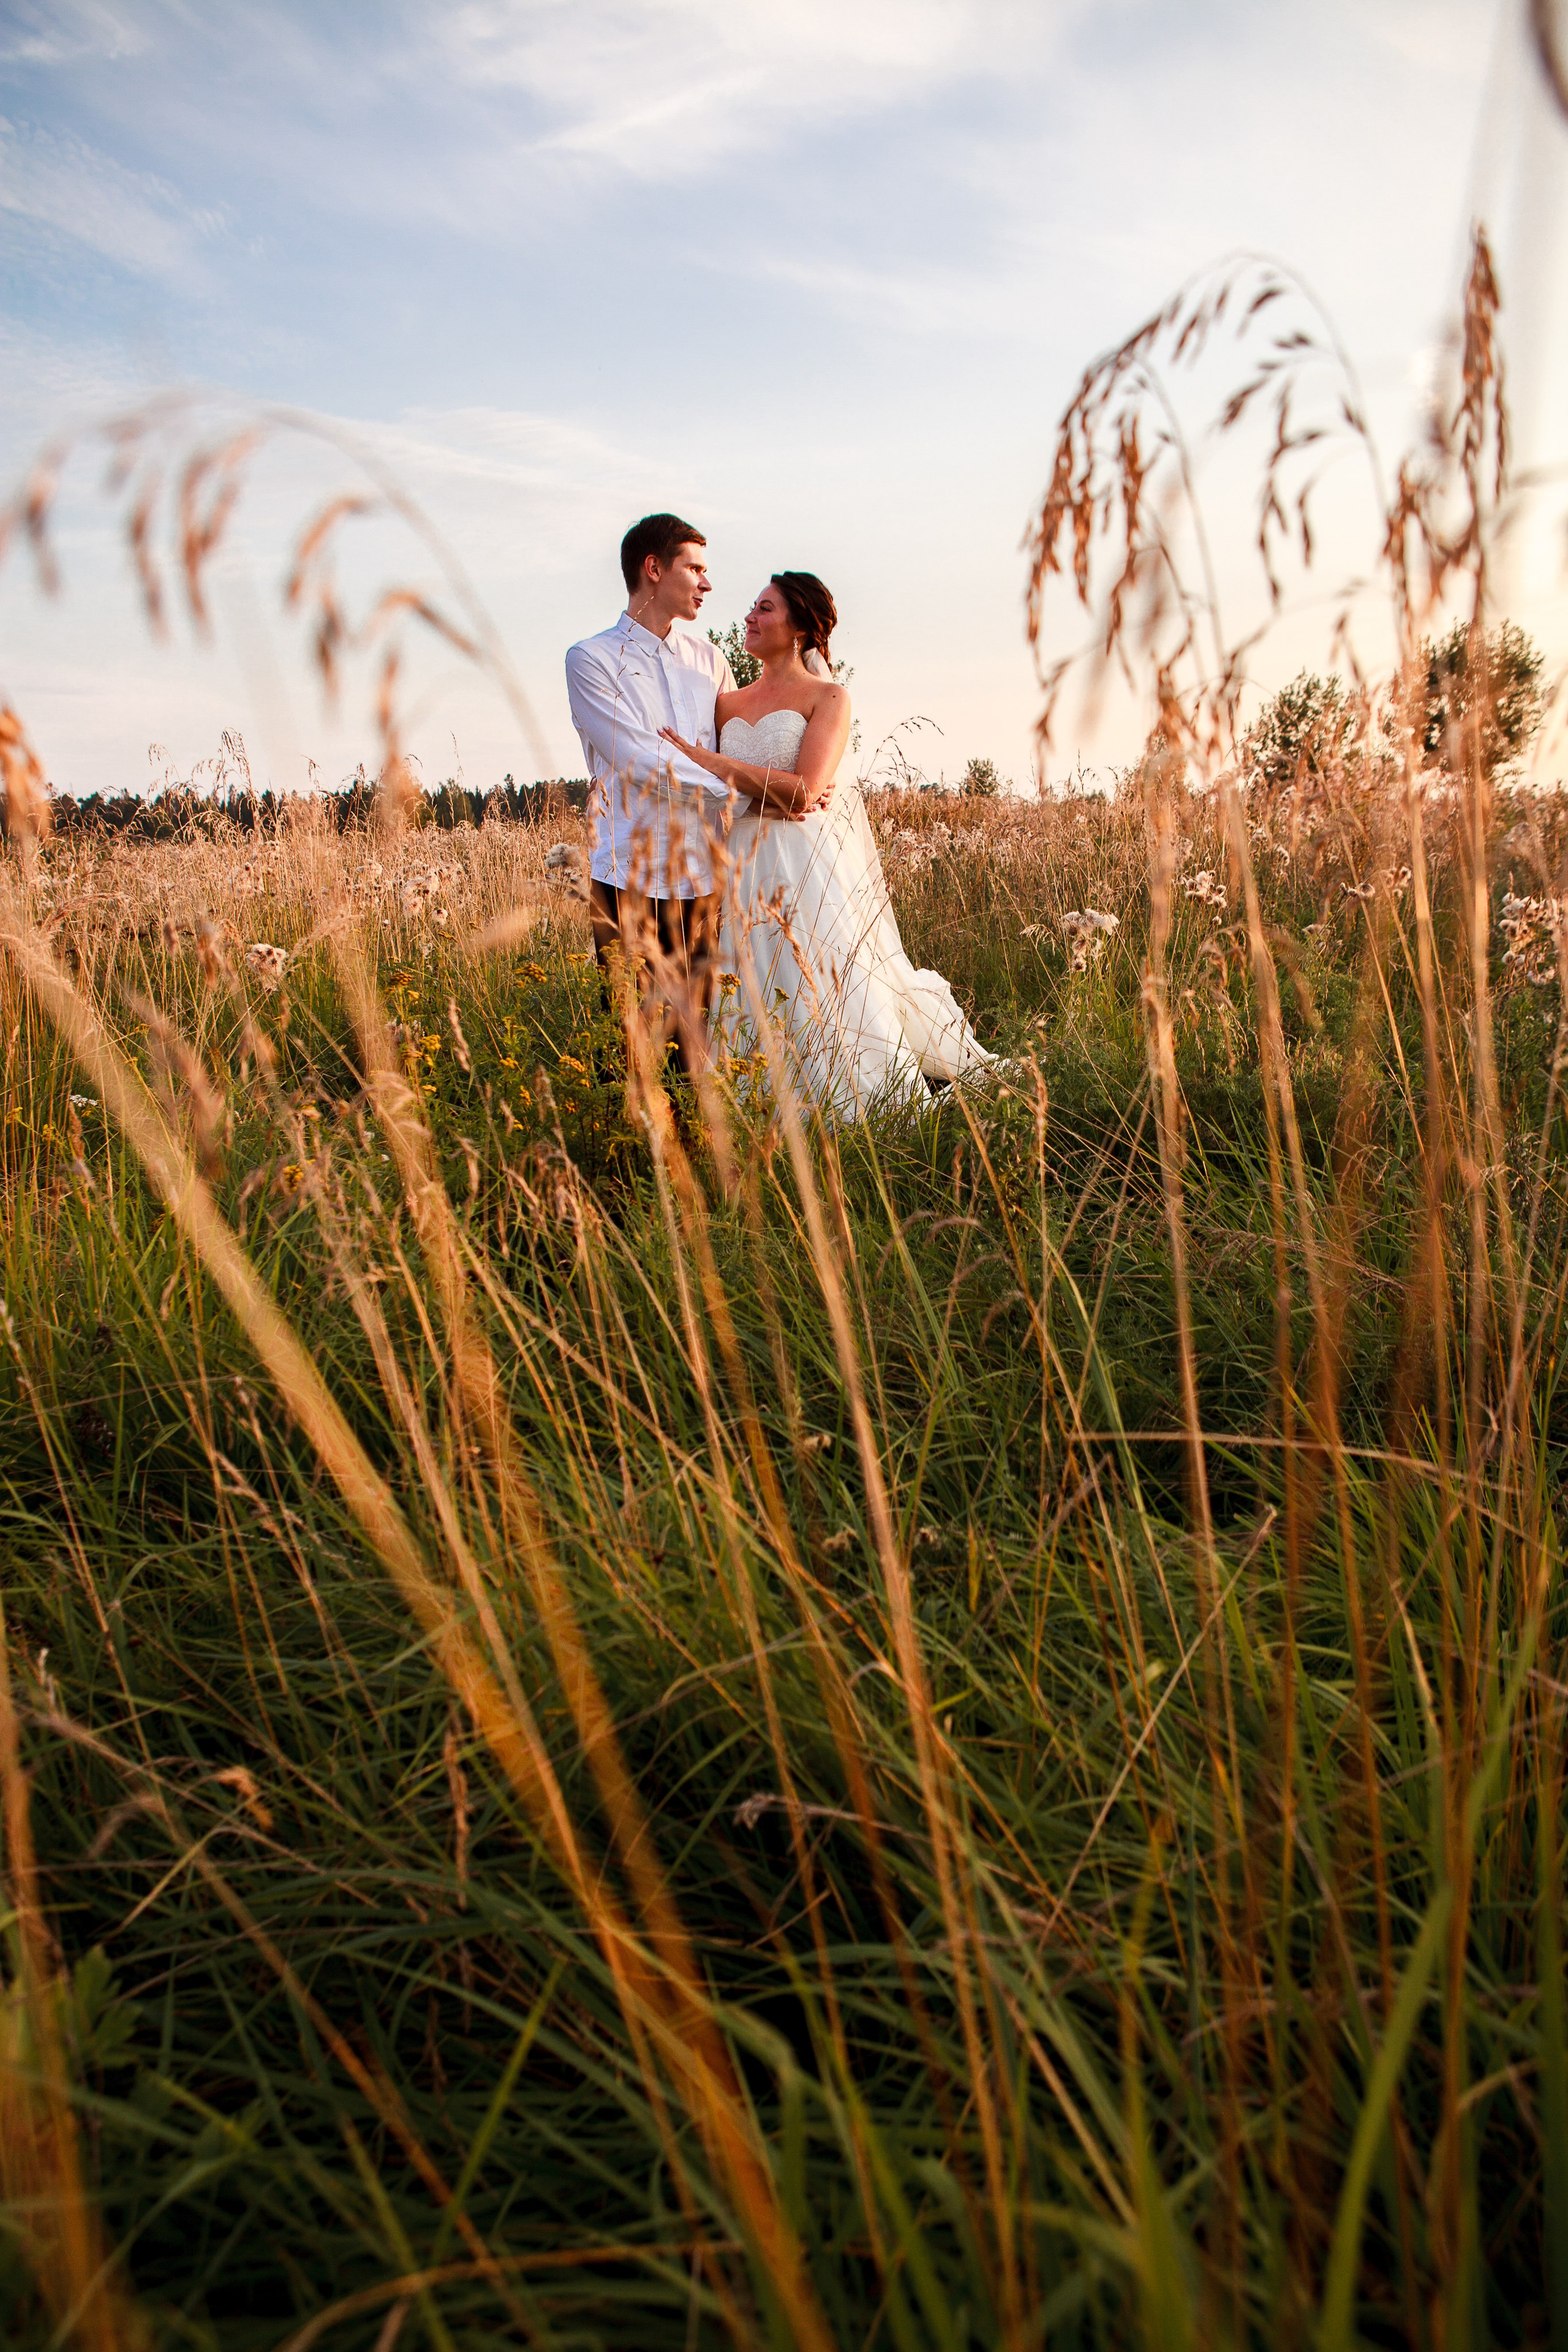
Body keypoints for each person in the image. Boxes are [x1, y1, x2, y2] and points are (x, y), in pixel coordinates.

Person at [658, 571, 998, 1117]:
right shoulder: (726, 704)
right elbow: (726, 796)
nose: (749, 617)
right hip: (742, 860)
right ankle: (757, 1102)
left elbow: (807, 792)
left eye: (765, 609)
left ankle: (849, 1097)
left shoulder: (829, 697)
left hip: (802, 862)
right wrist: (765, 794)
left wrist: (726, 768)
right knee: (749, 978)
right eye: (753, 607)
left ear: (799, 628)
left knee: (819, 976)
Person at [564, 514, 734, 1077]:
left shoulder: (712, 662)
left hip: (704, 878)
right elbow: (639, 760)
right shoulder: (590, 659)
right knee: (634, 1043)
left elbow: (729, 750)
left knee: (699, 1042)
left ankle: (700, 1159)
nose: (706, 584)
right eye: (695, 569)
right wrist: (745, 792)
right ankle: (634, 1161)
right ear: (654, 569)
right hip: (629, 878)